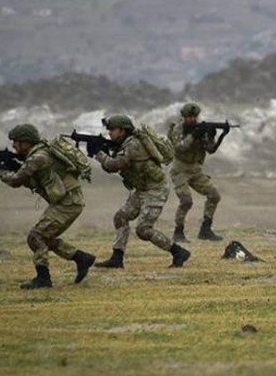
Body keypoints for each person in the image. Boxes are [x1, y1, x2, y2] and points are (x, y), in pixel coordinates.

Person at [0, 124, 96, 289]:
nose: (13, 145)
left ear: (27, 142)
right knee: (44, 237)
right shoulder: (39, 153)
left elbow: (15, 181)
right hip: (68, 202)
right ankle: (81, 258)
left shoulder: (38, 157)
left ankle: (43, 279)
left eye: (16, 142)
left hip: (68, 204)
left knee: (36, 237)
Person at [92, 114, 191, 269]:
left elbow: (114, 165)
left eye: (112, 129)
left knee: (143, 230)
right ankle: (117, 258)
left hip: (156, 190)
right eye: (108, 129)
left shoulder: (132, 145)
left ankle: (178, 252)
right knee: (121, 218)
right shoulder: (125, 143)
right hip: (142, 189)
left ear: (123, 131)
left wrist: (98, 154)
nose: (109, 132)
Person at [167, 102, 229, 242]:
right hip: (180, 170)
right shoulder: (178, 129)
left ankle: (205, 230)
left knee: (214, 195)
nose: (192, 119)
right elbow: (179, 147)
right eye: (189, 117)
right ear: (183, 117)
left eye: (194, 117)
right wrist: (194, 135)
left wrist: (216, 135)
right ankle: (178, 232)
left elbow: (210, 149)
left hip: (195, 169)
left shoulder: (201, 128)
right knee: (186, 201)